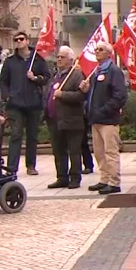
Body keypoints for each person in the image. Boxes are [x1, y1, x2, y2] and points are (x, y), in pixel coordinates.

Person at [0, 31, 51, 175]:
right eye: (16, 40)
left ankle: (31, 165)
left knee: (32, 135)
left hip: (33, 102)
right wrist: (7, 95)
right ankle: (12, 168)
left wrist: (35, 78)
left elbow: (47, 77)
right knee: (15, 135)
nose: (18, 42)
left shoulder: (37, 59)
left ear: (27, 41)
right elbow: (3, 81)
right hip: (15, 104)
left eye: (21, 39)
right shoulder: (10, 61)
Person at [80, 42, 128, 195]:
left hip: (108, 119)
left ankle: (114, 182)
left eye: (101, 50)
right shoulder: (96, 71)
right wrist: (86, 94)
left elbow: (120, 96)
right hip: (95, 119)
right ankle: (104, 179)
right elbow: (94, 94)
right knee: (99, 152)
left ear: (109, 53)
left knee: (110, 152)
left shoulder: (114, 71)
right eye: (96, 49)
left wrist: (104, 110)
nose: (97, 52)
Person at [45, 47, 86, 189]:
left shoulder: (76, 75)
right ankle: (62, 177)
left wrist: (63, 95)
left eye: (62, 57)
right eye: (58, 57)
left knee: (74, 151)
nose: (59, 59)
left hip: (72, 120)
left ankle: (75, 177)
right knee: (58, 150)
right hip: (55, 120)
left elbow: (81, 96)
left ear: (70, 60)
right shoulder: (56, 76)